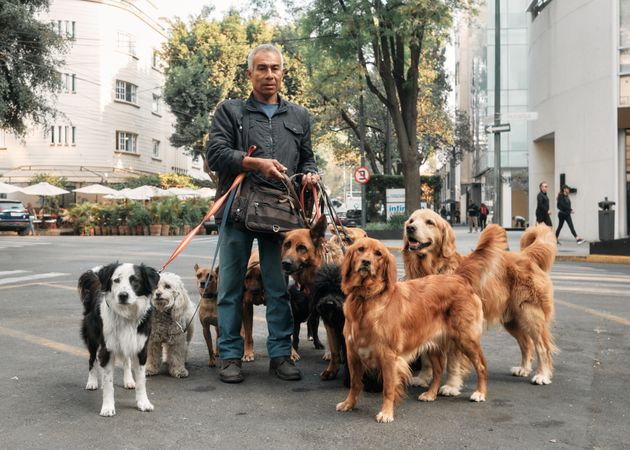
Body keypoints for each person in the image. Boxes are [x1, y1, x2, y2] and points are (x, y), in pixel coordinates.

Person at [206, 44, 319, 384]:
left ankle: (280, 355)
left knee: (278, 287)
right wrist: (254, 162)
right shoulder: (230, 111)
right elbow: (216, 153)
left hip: (282, 217)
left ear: (283, 73)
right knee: (230, 288)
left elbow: (307, 159)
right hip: (238, 210)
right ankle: (230, 356)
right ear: (249, 74)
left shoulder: (299, 116)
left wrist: (311, 175)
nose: (269, 75)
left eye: (275, 69)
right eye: (262, 68)